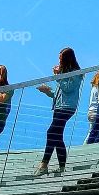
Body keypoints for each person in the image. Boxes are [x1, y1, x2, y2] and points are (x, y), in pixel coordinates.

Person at [34, 48, 82, 176]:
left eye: (61, 58)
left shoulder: (75, 73)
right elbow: (60, 93)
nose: (59, 61)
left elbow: (68, 88)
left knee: (51, 132)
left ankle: (44, 164)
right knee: (57, 136)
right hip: (59, 107)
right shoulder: (65, 73)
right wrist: (48, 91)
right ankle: (61, 166)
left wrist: (58, 76)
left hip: (67, 108)